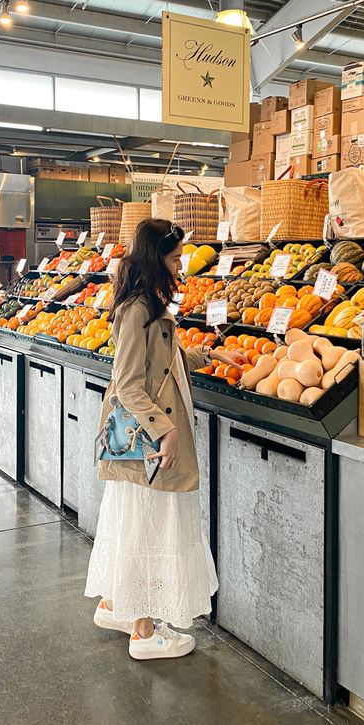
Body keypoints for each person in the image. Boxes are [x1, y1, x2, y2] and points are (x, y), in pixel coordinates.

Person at [84, 218, 246, 660]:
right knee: (149, 526)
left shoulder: (147, 303)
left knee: (135, 520)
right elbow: (128, 382)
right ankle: (144, 632)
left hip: (145, 439)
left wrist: (210, 353)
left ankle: (118, 604)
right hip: (148, 443)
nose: (180, 267)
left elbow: (165, 360)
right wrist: (167, 431)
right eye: (175, 259)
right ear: (157, 258)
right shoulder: (137, 308)